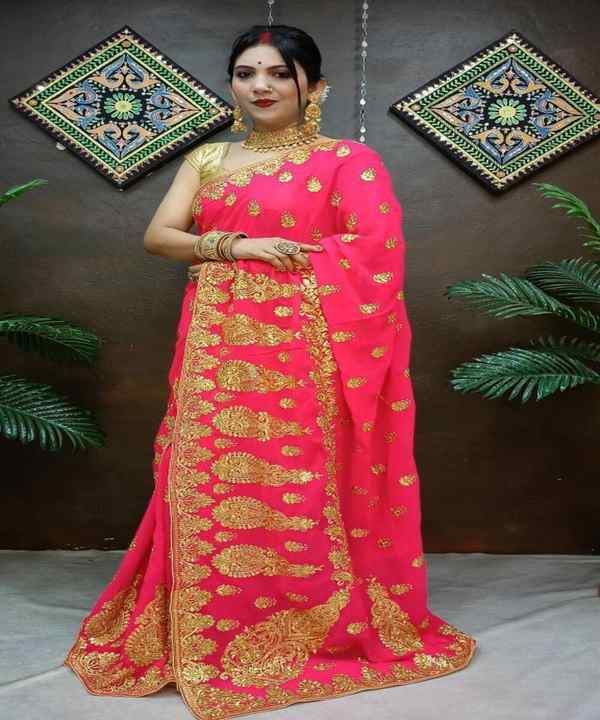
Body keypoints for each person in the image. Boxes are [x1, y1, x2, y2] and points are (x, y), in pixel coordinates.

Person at [63, 23, 477, 720]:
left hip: (307, 357)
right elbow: (159, 236)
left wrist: (278, 264)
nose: (261, 86)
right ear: (231, 84)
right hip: (216, 352)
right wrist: (239, 246)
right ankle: (204, 624)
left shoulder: (347, 161)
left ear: (314, 86)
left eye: (279, 73)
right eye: (247, 73)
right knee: (206, 479)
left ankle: (307, 621)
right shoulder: (208, 157)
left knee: (299, 483)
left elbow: (376, 253)